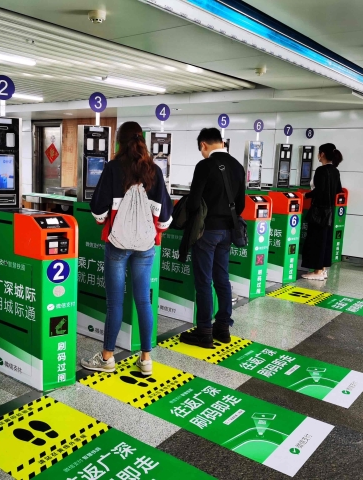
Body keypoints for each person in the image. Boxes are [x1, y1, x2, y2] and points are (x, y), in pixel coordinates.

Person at [81, 121, 172, 375]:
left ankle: (107, 358)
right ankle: (146, 359)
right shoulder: (154, 170)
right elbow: (165, 216)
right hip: (145, 246)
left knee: (115, 302)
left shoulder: (113, 168)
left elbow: (98, 210)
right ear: (142, 140)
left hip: (117, 244)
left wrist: (111, 219)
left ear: (119, 142)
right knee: (143, 300)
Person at [179, 128, 245, 349]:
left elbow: (194, 202)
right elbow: (241, 205)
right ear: (222, 143)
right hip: (227, 232)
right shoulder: (237, 166)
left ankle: (204, 331)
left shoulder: (204, 166)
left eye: (201, 149)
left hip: (206, 232)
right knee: (222, 279)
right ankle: (223, 328)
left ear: (204, 145)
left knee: (204, 281)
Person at [301, 143, 343, 280]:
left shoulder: (321, 170)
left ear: (322, 154)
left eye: (319, 153)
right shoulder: (335, 171)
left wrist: (306, 195)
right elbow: (338, 190)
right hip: (330, 211)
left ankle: (317, 272)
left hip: (318, 211)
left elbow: (319, 190)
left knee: (316, 240)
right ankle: (323, 270)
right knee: (325, 240)